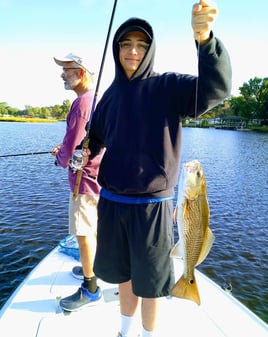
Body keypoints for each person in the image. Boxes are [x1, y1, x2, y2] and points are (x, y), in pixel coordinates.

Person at [82, 1, 231, 336]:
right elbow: (97, 137)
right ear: (117, 49)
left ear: (149, 51)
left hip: (151, 208)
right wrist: (84, 150)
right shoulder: (109, 95)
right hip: (112, 204)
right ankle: (124, 330)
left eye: (141, 45)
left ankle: (148, 334)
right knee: (123, 276)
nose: (133, 51)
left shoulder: (168, 88)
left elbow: (216, 90)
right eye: (126, 44)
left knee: (150, 284)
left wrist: (205, 40)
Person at [51, 53, 103, 311]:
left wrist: (60, 157)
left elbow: (70, 150)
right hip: (97, 178)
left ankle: (90, 287)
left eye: (67, 69)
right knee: (92, 228)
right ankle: (89, 265)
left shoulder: (82, 103)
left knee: (83, 232)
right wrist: (65, 150)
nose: (62, 73)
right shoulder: (94, 100)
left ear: (81, 73)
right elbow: (82, 142)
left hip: (85, 181)